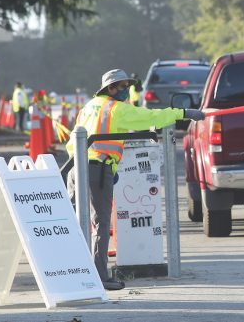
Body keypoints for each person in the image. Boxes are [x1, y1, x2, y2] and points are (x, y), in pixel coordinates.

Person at [65, 69, 205, 291]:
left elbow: (74, 140)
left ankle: (73, 273)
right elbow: (151, 118)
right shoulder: (116, 109)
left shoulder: (88, 107)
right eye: (121, 87)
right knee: (99, 224)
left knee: (76, 224)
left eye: (127, 87)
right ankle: (99, 277)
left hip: (76, 168)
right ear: (110, 88)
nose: (125, 91)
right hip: (97, 170)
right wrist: (183, 112)